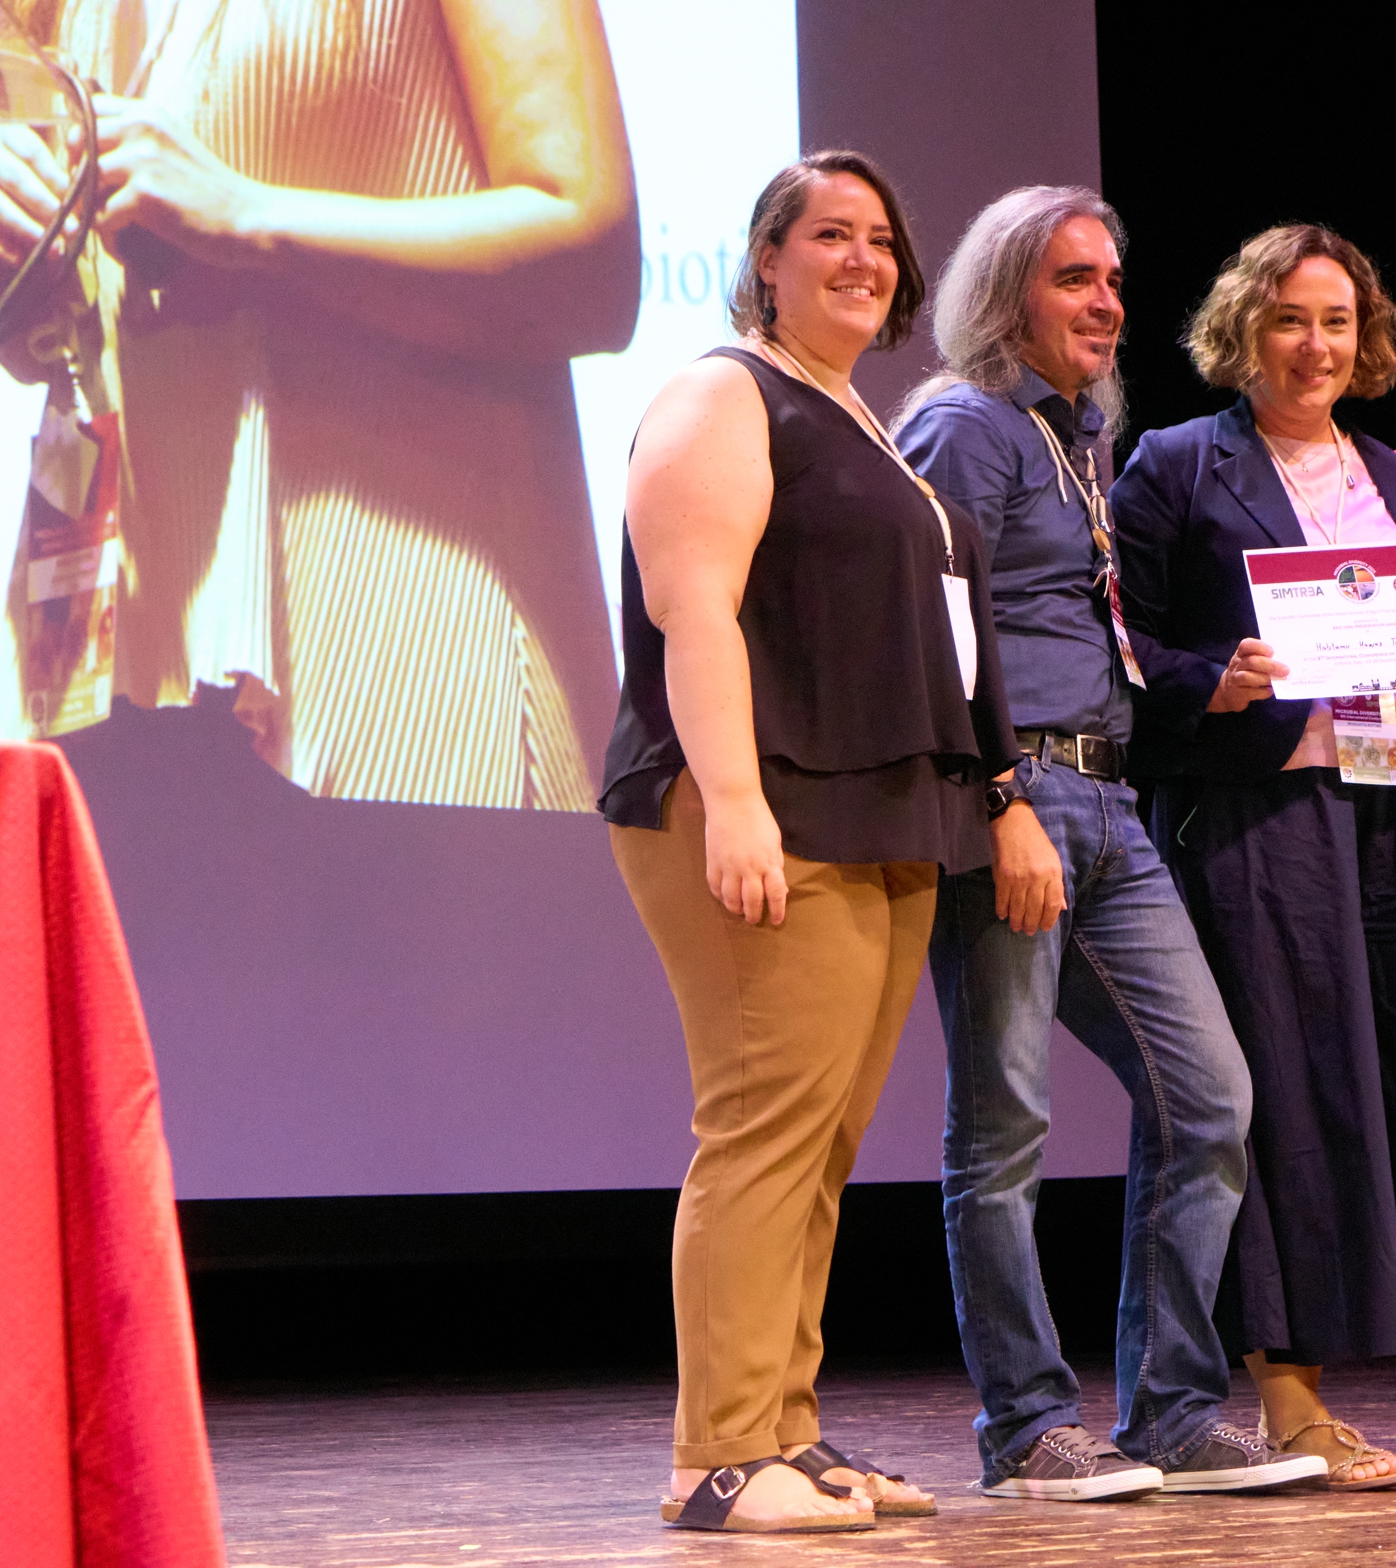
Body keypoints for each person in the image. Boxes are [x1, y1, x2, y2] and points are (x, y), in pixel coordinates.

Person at [601, 151, 1021, 1534]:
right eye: (830, 234)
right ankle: (719, 1456)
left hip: (875, 812)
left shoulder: (857, 417)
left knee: (821, 1142)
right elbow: (695, 608)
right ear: (766, 259)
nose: (863, 260)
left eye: (882, 240)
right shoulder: (726, 392)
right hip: (762, 800)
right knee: (763, 1126)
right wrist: (733, 800)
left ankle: (786, 1428)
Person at [896, 187, 1322, 1500]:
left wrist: (1202, 687)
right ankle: (1026, 1427)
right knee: (1003, 1125)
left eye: (1113, 280)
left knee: (1210, 1097)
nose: (1107, 302)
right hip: (1016, 800)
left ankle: (1173, 1413)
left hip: (1110, 803)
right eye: (1073, 278)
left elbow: (1097, 630)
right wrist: (1000, 800)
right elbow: (933, 637)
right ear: (1005, 295)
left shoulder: (1077, 436)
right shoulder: (964, 428)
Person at [0, 0, 633, 807]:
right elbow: (40, 326)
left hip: (406, 649)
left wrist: (248, 221)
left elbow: (592, 260)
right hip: (94, 650)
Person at [1110, 223, 1396, 1491]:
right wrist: (1210, 679)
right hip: (1257, 821)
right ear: (1244, 329)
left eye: (1337, 320)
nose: (1316, 344)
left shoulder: (1386, 474)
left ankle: (1337, 1388)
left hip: (1386, 809)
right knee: (1280, 1100)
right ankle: (1287, 1403)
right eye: (1290, 318)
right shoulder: (1178, 463)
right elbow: (1117, 644)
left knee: (1383, 1091)